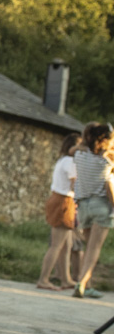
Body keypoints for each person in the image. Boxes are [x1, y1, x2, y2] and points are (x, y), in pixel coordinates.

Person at [73, 122, 113, 299]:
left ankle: (87, 285)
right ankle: (81, 283)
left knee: (88, 247)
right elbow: (108, 186)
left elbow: (77, 147)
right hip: (101, 206)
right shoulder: (106, 162)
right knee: (94, 249)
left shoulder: (79, 156)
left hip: (83, 206)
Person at [37, 133, 81, 290]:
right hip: (64, 201)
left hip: (58, 199)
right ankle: (44, 278)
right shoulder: (70, 162)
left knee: (66, 244)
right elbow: (74, 185)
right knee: (57, 245)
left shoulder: (62, 160)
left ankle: (66, 279)